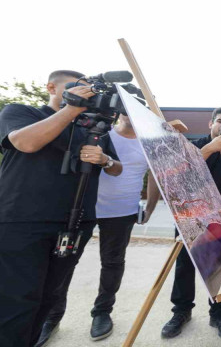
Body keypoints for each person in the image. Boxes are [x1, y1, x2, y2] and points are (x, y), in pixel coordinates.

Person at [0, 70, 122, 347]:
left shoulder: (94, 126)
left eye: (89, 91)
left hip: (75, 223)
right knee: (17, 299)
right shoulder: (21, 112)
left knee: (48, 297)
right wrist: (71, 109)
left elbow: (117, 168)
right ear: (51, 88)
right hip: (23, 221)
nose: (85, 95)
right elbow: (25, 143)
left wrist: (104, 160)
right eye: (75, 88)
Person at [36, 113, 162, 345]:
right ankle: (52, 316)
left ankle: (102, 312)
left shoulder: (150, 144)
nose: (131, 112)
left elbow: (154, 177)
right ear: (118, 111)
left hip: (122, 211)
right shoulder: (100, 133)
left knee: (113, 262)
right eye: (125, 106)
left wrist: (150, 208)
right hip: (82, 207)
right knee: (65, 261)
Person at [161, 107, 221, 340]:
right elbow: (179, 173)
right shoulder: (192, 144)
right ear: (211, 123)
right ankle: (181, 311)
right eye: (220, 121)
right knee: (185, 265)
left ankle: (220, 313)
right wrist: (210, 148)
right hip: (190, 215)